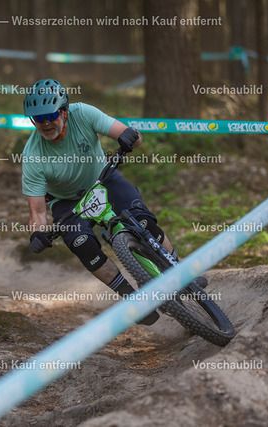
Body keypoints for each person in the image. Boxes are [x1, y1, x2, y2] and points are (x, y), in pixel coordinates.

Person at [21, 79, 203, 325]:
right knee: (82, 244)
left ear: (64, 111)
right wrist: (37, 234)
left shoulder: (83, 113)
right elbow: (37, 212)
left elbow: (131, 135)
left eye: (50, 115)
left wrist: (131, 138)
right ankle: (133, 299)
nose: (45, 123)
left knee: (143, 221)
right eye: (38, 118)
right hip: (67, 203)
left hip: (104, 179)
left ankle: (180, 275)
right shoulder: (32, 155)